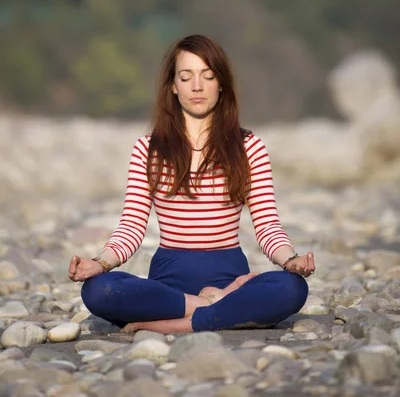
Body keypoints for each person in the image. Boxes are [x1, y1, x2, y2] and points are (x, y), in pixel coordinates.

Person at [69, 34, 315, 334]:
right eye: (186, 78)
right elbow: (132, 226)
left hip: (229, 274)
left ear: (221, 83)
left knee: (292, 288)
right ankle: (210, 311)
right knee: (98, 291)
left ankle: (173, 325)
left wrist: (290, 260)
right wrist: (101, 263)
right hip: (170, 281)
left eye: (207, 76)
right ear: (173, 86)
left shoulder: (249, 146)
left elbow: (266, 225)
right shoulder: (148, 148)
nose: (197, 86)